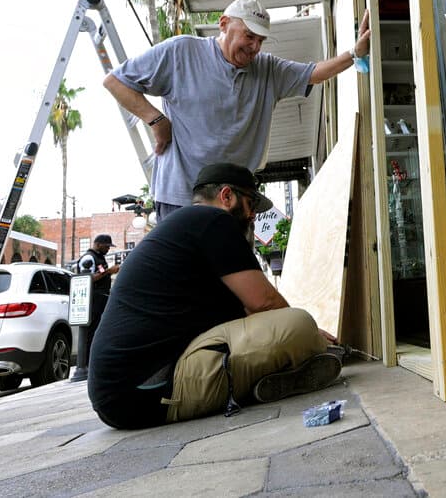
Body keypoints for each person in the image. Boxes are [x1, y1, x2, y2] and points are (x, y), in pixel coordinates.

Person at [88, 162, 341, 430]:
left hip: (123, 397)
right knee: (298, 323)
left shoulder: (187, 230)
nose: (254, 215)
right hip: (147, 391)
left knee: (286, 329)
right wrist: (311, 334)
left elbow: (251, 314)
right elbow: (264, 302)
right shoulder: (213, 221)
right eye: (251, 203)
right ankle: (281, 373)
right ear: (227, 196)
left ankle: (269, 381)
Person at [104, 0, 371, 221]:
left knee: (231, 280)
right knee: (183, 282)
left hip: (234, 201)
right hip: (180, 198)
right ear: (224, 24)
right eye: (249, 36)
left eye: (261, 40)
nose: (255, 47)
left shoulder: (267, 69)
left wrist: (354, 53)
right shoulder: (181, 52)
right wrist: (156, 120)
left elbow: (313, 73)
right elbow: (115, 81)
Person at [75, 234, 120, 365]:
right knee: (91, 332)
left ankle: (94, 361)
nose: (108, 249)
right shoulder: (89, 257)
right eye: (107, 247)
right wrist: (109, 272)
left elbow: (99, 274)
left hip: (101, 300)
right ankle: (86, 363)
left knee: (98, 330)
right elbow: (87, 278)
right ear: (98, 244)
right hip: (92, 301)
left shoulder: (99, 258)